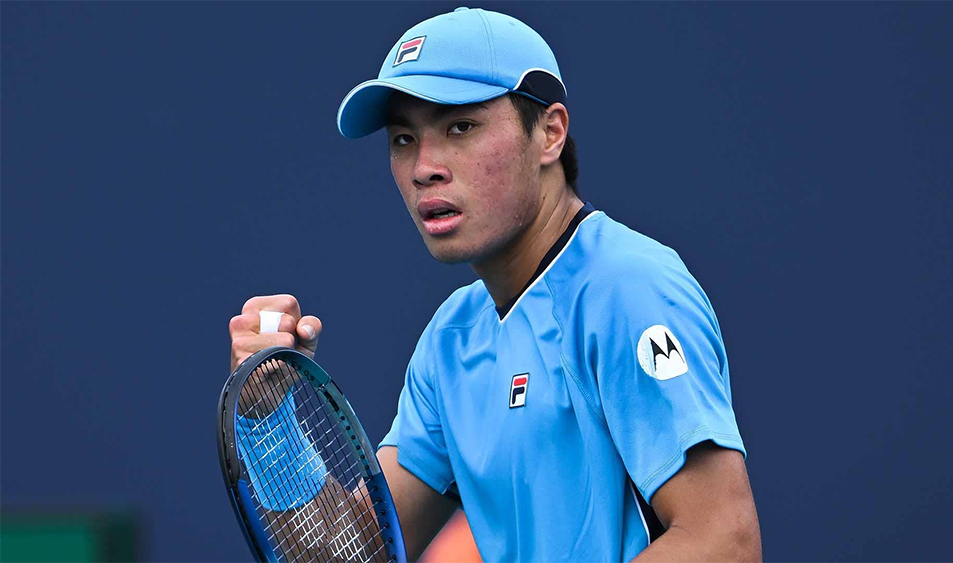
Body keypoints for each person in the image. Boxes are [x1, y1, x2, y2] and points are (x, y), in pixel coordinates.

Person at [229, 7, 761, 562]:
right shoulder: (452, 339)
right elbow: (347, 555)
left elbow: (723, 542)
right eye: (404, 138)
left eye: (460, 127)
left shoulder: (626, 289)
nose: (424, 167)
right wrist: (271, 425)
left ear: (550, 133)